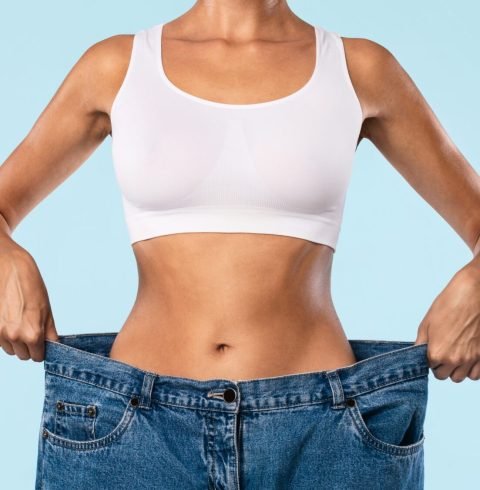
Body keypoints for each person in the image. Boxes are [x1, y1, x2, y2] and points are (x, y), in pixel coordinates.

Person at [1, 1, 479, 489]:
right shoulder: (117, 66)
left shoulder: (358, 69)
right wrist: (6, 259)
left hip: (323, 435)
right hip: (135, 435)